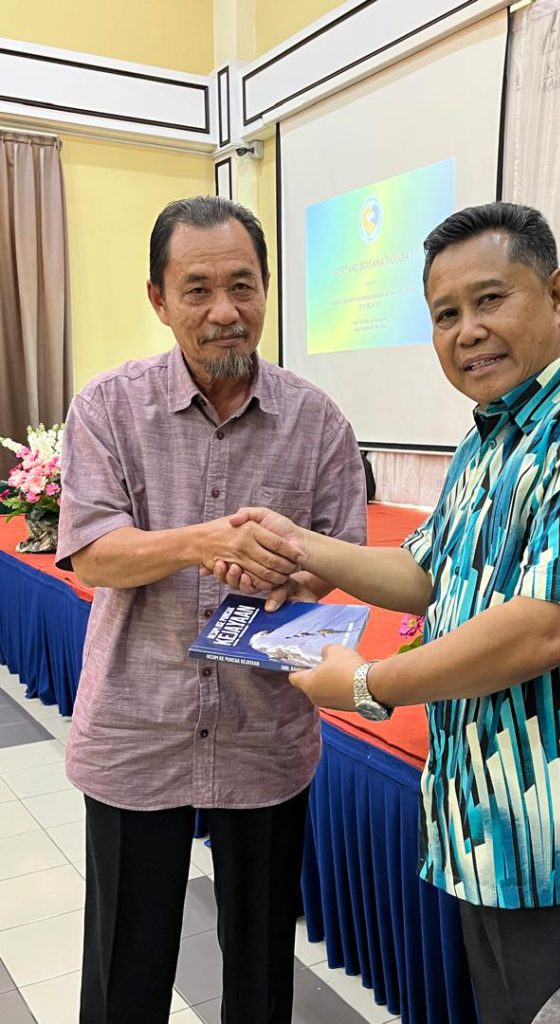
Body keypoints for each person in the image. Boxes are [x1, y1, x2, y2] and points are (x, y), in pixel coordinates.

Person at [211, 202, 560, 1024]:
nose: (468, 332)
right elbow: (424, 573)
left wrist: (367, 683)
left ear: (558, 295)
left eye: (490, 300)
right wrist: (301, 543)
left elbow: (550, 626)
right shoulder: (488, 439)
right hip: (487, 825)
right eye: (445, 315)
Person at [55, 195, 367, 1024]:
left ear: (266, 289)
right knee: (125, 971)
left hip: (263, 730)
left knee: (261, 973)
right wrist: (199, 543)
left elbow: (339, 552)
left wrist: (295, 583)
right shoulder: (107, 407)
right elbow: (92, 552)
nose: (224, 310)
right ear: (158, 299)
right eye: (197, 289)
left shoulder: (317, 421)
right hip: (138, 725)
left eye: (242, 285)